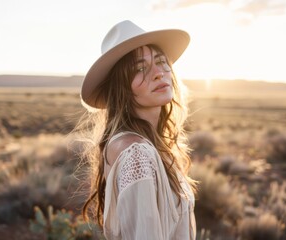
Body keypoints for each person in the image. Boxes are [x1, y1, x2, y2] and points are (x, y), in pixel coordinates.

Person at [76, 20, 197, 240]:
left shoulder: (152, 144)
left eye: (161, 62)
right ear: (121, 88)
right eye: (140, 68)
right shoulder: (137, 153)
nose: (159, 73)